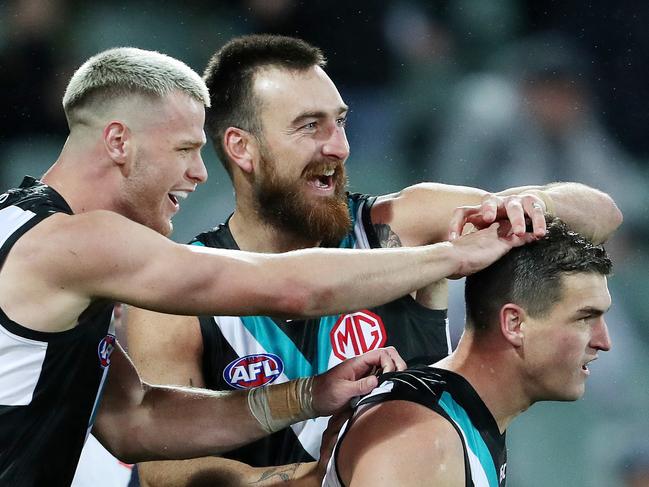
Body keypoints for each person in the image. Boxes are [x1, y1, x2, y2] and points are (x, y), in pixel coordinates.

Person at [0, 46, 537, 487]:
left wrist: (306, 396)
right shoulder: (74, 241)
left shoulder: (29, 227)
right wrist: (451, 256)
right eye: (185, 149)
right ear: (119, 141)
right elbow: (287, 289)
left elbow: (133, 420)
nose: (198, 172)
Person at [125, 35, 622, 486]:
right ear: (242, 147)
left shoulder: (401, 224)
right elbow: (166, 470)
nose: (339, 147)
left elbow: (602, 214)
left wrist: (538, 205)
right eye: (309, 127)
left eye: (340, 121)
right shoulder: (181, 292)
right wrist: (328, 476)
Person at [322, 217, 613, 486]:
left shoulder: (461, 419)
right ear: (515, 324)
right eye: (585, 318)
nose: (604, 341)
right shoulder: (423, 439)